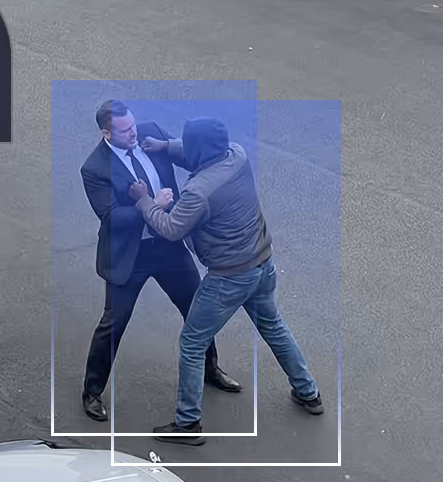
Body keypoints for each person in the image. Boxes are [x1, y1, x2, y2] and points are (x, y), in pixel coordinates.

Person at [130, 116, 323, 446]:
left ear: (198, 149)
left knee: (192, 343)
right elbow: (197, 151)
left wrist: (143, 201)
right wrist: (166, 146)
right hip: (263, 263)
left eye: (188, 144)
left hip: (228, 278)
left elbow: (172, 228)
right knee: (274, 326)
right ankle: (308, 393)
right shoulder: (237, 155)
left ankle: (187, 423)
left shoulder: (198, 192)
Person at [79, 101, 242, 423]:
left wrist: (168, 146)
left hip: (168, 245)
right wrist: (152, 204)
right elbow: (110, 217)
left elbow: (190, 156)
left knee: (198, 310)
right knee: (115, 322)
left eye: (134, 126)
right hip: (131, 255)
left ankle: (210, 369)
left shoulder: (150, 134)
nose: (134, 134)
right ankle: (92, 391)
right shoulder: (95, 168)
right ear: (106, 133)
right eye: (125, 131)